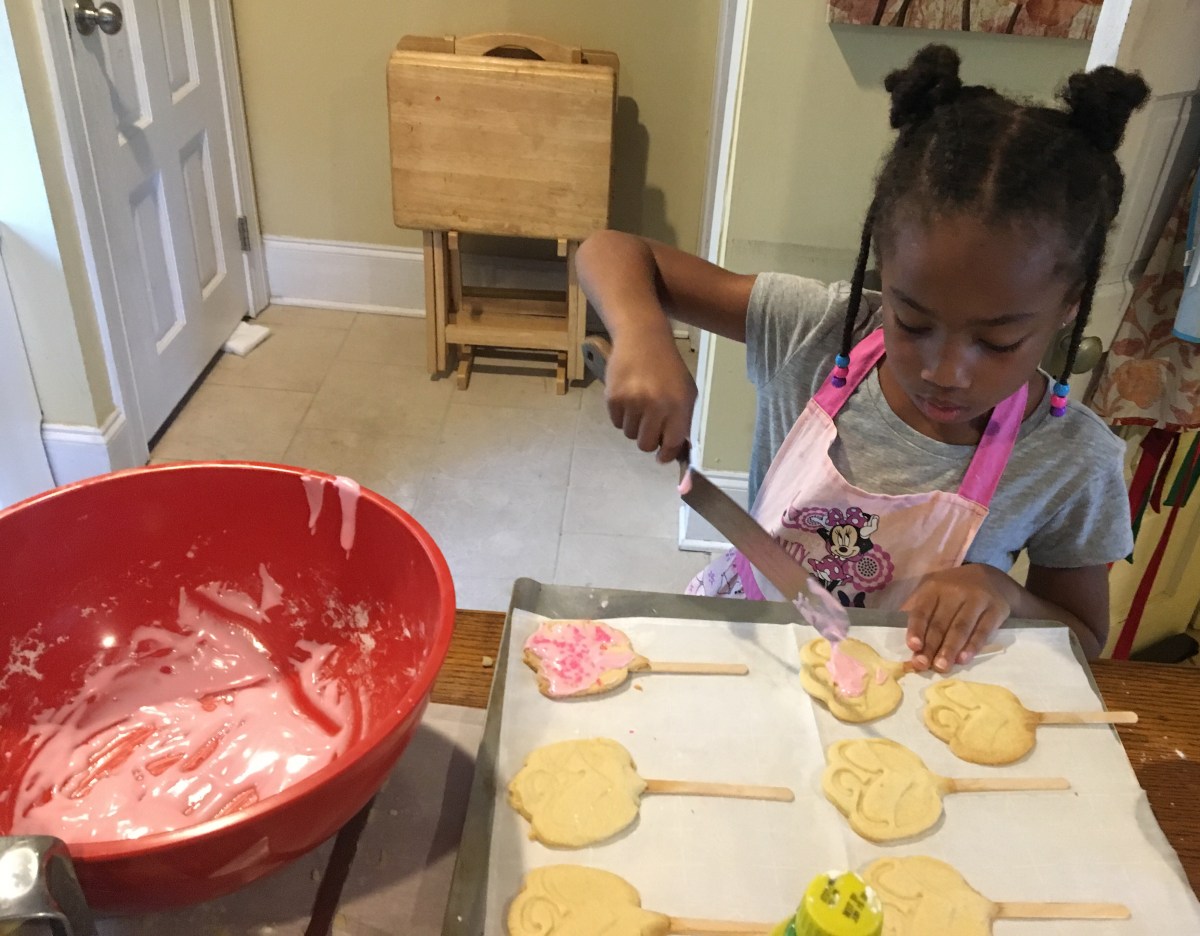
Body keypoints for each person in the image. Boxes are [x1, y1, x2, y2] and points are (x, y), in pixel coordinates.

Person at [576, 45, 1148, 668]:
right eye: (912, 322)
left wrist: (1002, 590)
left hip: (907, 692)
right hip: (747, 644)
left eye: (997, 342)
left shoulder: (1073, 461)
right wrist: (643, 335)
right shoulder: (815, 333)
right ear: (883, 270)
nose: (943, 372)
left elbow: (1084, 638)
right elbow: (610, 250)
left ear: (1069, 306)